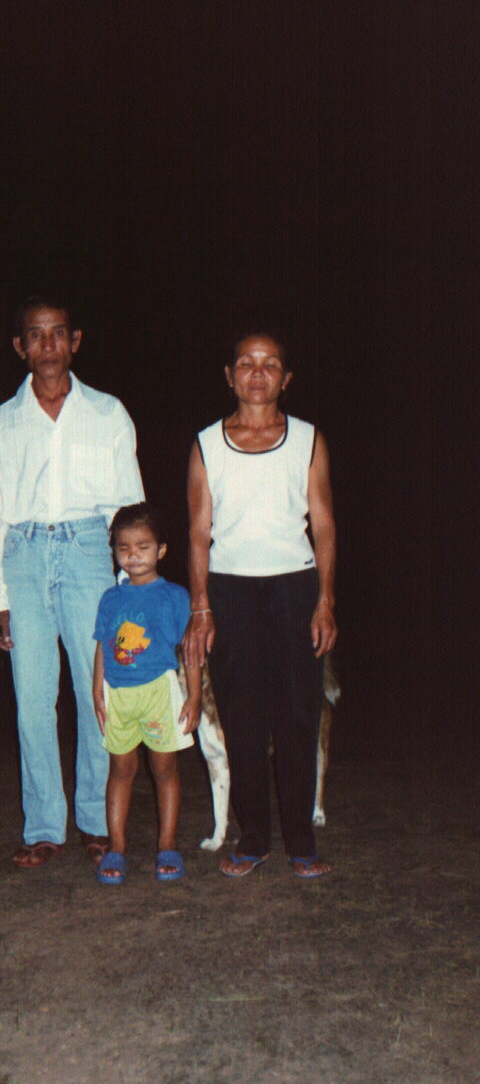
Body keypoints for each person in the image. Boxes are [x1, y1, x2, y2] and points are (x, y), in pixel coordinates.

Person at [0, 297, 144, 868]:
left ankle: (96, 820)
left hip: (88, 552)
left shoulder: (107, 412)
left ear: (75, 341)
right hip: (22, 554)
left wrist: (129, 584)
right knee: (32, 697)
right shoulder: (1, 421)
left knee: (95, 689)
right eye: (35, 335)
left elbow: (127, 504)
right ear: (20, 346)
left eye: (57, 334)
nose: (47, 345)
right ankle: (44, 826)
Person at [183, 332, 337, 879]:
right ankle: (252, 839)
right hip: (230, 590)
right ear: (230, 375)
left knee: (298, 713)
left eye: (270, 364)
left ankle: (301, 841)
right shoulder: (206, 444)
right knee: (241, 715)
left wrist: (325, 600)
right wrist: (201, 606)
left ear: (285, 378)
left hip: (295, 588)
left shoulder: (308, 440)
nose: (257, 373)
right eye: (246, 363)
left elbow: (323, 525)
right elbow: (198, 532)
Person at [92, 503, 201, 885]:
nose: (133, 555)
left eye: (143, 547)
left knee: (164, 769)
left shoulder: (175, 596)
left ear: (161, 550)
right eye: (124, 548)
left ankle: (167, 844)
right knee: (120, 770)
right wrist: (97, 690)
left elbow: (190, 650)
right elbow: (103, 645)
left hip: (160, 692)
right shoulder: (111, 598)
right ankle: (116, 848)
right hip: (119, 695)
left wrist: (194, 696)